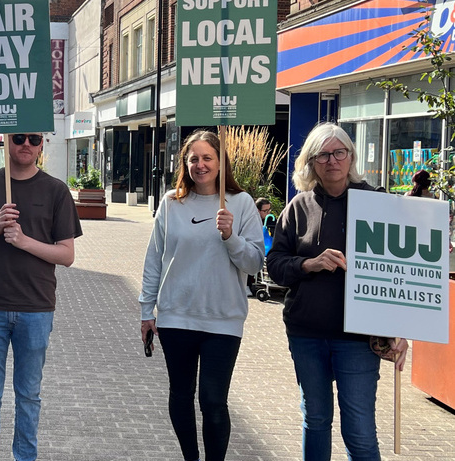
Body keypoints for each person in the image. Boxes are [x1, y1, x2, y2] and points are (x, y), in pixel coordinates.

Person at [266, 122, 408, 461]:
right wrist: (308, 264)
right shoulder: (299, 207)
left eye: (339, 152)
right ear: (312, 163)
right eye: (323, 155)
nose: (332, 160)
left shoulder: (378, 203)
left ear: (351, 156)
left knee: (359, 431)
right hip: (307, 333)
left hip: (357, 338)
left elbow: (401, 274)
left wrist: (401, 330)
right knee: (315, 420)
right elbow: (275, 265)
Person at [0, 132, 83, 461]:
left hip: (36, 308)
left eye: (34, 138)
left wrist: (24, 241)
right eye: (18, 138)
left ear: (43, 144)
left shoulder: (56, 191)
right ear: (6, 142)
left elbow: (67, 255)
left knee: (29, 396)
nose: (26, 144)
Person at [139, 130, 264, 461]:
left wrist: (230, 236)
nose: (200, 164)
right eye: (193, 158)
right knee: (181, 395)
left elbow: (254, 262)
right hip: (176, 316)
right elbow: (154, 259)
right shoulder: (171, 203)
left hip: (223, 320)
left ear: (221, 162)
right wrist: (146, 311)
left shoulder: (242, 203)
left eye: (207, 157)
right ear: (185, 163)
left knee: (213, 399)